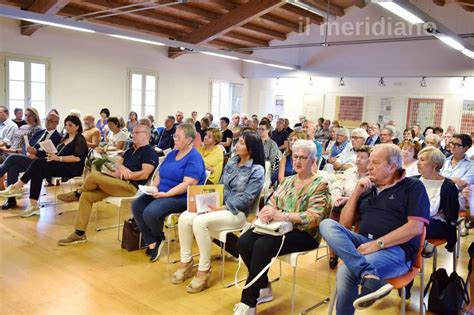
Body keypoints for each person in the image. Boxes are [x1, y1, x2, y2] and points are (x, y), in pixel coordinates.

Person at [319, 144, 429, 314]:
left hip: (396, 250)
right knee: (326, 224)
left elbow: (415, 227)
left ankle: (365, 274)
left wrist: (377, 244)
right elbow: (345, 224)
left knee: (347, 271)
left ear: (392, 167)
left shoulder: (413, 187)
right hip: (364, 242)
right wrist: (356, 192)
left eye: (375, 163)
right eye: (369, 162)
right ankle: (369, 275)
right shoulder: (368, 188)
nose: (368, 167)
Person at [233, 140, 332, 315]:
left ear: (313, 160)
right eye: (295, 157)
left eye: (303, 157)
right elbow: (271, 203)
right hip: (278, 228)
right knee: (244, 241)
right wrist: (266, 212)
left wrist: (285, 216)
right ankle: (263, 285)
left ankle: (249, 301)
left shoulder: (320, 184)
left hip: (305, 233)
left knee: (263, 246)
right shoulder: (287, 181)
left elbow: (315, 217)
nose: (298, 161)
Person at [173, 131, 265, 293]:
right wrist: (207, 200)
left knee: (200, 222)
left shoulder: (257, 170)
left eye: (241, 143)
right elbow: (220, 187)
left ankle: (204, 269)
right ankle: (186, 262)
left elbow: (247, 198)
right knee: (185, 217)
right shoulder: (232, 162)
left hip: (237, 213)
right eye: (237, 142)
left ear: (251, 148)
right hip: (219, 207)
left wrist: (222, 206)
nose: (236, 145)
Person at [57, 124, 158, 245]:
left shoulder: (150, 152)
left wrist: (127, 174)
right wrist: (121, 168)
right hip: (116, 183)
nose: (133, 135)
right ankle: (79, 234)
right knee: (87, 196)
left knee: (94, 176)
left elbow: (144, 174)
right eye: (133, 132)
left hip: (129, 187)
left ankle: (78, 192)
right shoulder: (131, 150)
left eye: (137, 133)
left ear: (146, 135)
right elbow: (117, 164)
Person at [132, 124, 206, 262]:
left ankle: (158, 237)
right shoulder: (173, 153)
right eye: (174, 135)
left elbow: (188, 184)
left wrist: (166, 194)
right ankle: (152, 241)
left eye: (178, 137)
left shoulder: (194, 157)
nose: (174, 138)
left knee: (150, 212)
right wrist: (154, 187)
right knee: (137, 205)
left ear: (189, 140)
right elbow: (160, 173)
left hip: (182, 197)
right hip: (163, 193)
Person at [0, 115, 88, 217]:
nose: (67, 127)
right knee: (37, 171)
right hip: (59, 164)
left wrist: (58, 158)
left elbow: (77, 158)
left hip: (71, 168)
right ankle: (33, 206)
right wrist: (53, 156)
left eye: (70, 125)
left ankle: (16, 187)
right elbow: (57, 154)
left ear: (77, 127)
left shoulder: (80, 139)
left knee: (37, 163)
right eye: (66, 125)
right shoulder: (66, 138)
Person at [0, 112, 61, 209]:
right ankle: (11, 200)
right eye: (47, 120)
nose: (48, 122)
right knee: (13, 168)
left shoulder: (58, 137)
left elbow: (55, 155)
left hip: (41, 163)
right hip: (28, 159)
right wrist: (27, 152)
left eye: (51, 121)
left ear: (57, 123)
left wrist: (36, 154)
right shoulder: (40, 132)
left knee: (12, 157)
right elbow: (25, 146)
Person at [328, 145, 372, 268]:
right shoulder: (349, 171)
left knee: (354, 221)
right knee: (333, 220)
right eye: (358, 156)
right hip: (342, 203)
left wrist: (348, 199)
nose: (358, 159)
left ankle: (351, 253)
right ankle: (333, 256)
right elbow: (338, 185)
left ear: (370, 160)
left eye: (363, 157)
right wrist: (337, 196)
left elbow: (366, 196)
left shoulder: (372, 175)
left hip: (360, 206)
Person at [417, 147, 459, 249]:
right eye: (418, 159)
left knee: (411, 229)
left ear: (435, 164)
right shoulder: (413, 181)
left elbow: (451, 214)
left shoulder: (448, 185)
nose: (418, 163)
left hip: (438, 223)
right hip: (415, 219)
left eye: (422, 160)